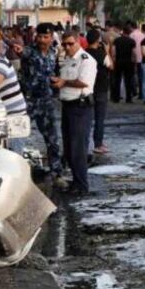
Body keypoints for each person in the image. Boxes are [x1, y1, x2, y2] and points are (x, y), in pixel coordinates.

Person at [18, 23, 65, 184]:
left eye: (46, 37)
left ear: (51, 37)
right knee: (18, 136)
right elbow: (21, 52)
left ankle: (56, 172)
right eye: (39, 36)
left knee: (52, 138)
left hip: (46, 100)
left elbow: (54, 72)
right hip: (29, 100)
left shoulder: (53, 52)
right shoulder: (29, 51)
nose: (42, 40)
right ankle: (16, 173)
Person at [54, 31, 97, 195]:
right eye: (64, 44)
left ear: (79, 42)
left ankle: (81, 185)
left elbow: (83, 82)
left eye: (70, 44)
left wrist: (64, 82)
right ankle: (76, 182)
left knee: (78, 149)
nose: (67, 47)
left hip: (80, 107)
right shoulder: (68, 60)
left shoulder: (86, 60)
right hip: (68, 106)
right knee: (70, 148)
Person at [86, 29, 112, 155]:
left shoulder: (84, 53)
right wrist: (107, 52)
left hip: (87, 89)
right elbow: (111, 66)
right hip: (101, 88)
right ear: (98, 40)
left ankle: (84, 143)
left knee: (86, 117)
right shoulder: (102, 54)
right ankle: (98, 144)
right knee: (99, 118)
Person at [110, 24, 137, 103]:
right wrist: (134, 62)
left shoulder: (117, 40)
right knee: (128, 80)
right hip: (129, 62)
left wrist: (114, 60)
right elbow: (134, 53)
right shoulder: (132, 41)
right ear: (129, 32)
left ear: (123, 32)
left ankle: (116, 98)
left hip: (119, 62)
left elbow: (113, 51)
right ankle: (128, 98)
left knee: (117, 80)